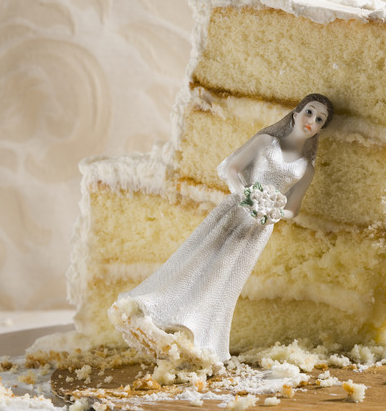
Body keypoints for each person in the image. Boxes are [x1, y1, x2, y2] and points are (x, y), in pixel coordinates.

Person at [108, 94, 334, 369]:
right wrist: (247, 196)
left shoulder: (305, 168)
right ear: (296, 113)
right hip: (234, 212)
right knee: (201, 260)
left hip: (257, 228)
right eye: (309, 112)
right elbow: (231, 168)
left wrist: (272, 213)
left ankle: (206, 342)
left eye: (319, 119)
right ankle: (156, 310)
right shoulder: (265, 143)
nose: (312, 121)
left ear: (321, 128)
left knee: (226, 279)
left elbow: (293, 208)